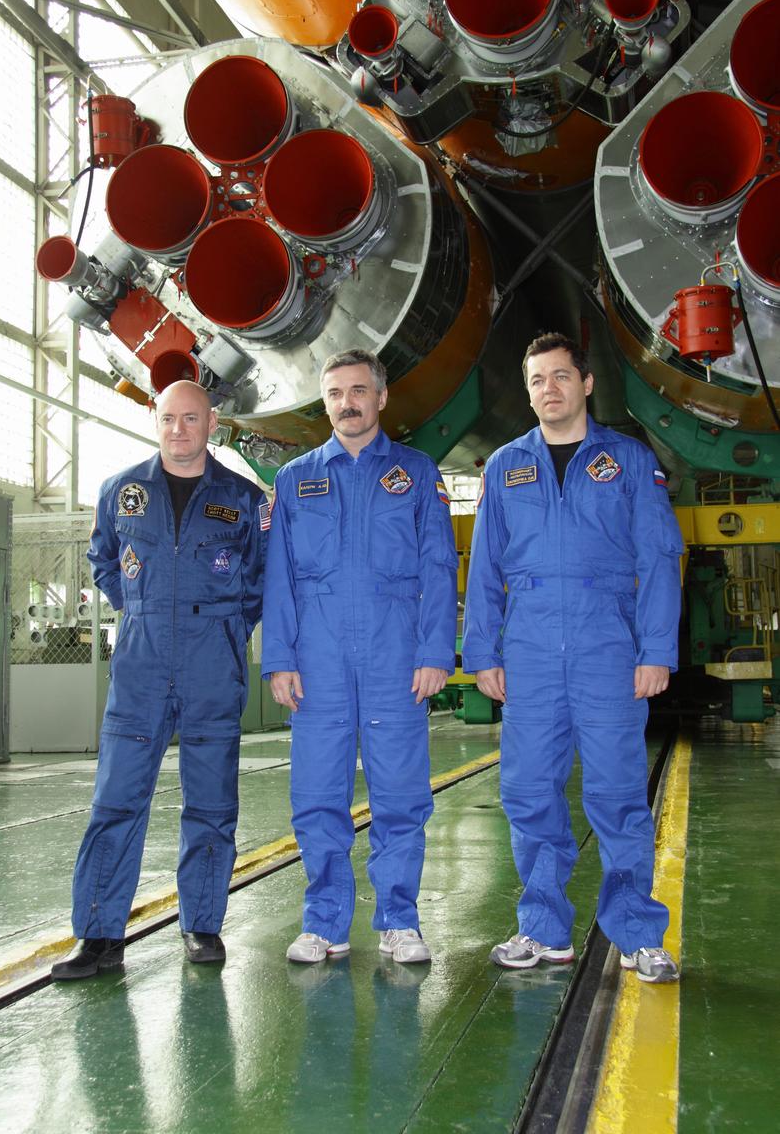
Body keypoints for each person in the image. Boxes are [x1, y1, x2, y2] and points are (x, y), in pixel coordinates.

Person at [462, 333, 683, 984]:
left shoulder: (629, 462)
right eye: (536, 380)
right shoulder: (505, 467)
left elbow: (658, 560)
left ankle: (638, 934)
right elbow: (484, 570)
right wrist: (483, 651)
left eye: (560, 376)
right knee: (527, 790)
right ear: (528, 391)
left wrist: (656, 650)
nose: (548, 389)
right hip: (528, 646)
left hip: (605, 643)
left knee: (616, 794)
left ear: (585, 384)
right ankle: (542, 929)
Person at [52, 380, 268, 979]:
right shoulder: (121, 492)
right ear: (156, 419)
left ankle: (201, 924)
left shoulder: (244, 499)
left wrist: (221, 626)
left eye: (191, 419)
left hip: (211, 666)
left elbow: (259, 580)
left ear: (213, 423)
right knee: (117, 798)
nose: (179, 429)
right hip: (142, 664)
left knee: (211, 802)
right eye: (169, 418)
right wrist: (141, 606)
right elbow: (103, 559)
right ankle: (98, 936)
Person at [262, 350, 458, 965]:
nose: (346, 403)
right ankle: (325, 923)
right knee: (318, 794)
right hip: (317, 660)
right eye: (334, 393)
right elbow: (280, 579)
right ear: (325, 403)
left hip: (395, 656)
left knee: (400, 795)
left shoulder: (417, 473)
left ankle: (399, 919)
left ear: (380, 397)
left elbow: (438, 566)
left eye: (357, 390)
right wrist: (279, 659)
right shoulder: (296, 479)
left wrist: (434, 651)